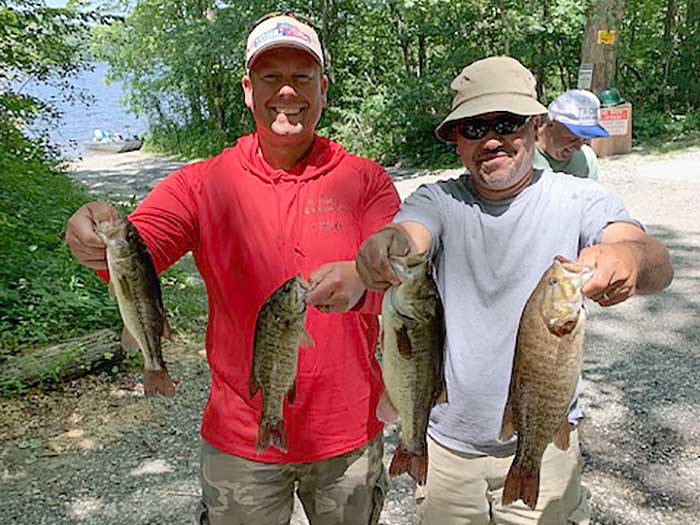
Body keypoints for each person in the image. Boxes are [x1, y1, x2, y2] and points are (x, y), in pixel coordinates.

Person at [65, 13, 399, 525]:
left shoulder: (365, 180)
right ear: (248, 89)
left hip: (347, 435)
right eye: (270, 77)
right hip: (240, 438)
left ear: (323, 89)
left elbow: (395, 258)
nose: (286, 91)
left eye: (301, 77)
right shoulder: (202, 184)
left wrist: (363, 274)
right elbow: (138, 251)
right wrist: (93, 236)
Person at [356, 56, 673, 525]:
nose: (491, 140)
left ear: (534, 126)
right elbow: (410, 235)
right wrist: (387, 245)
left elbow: (655, 263)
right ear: (457, 143)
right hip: (446, 452)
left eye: (506, 123)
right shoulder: (439, 201)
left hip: (544, 447)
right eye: (472, 128)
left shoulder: (579, 198)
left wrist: (630, 260)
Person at [534, 89, 610, 179]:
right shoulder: (523, 156)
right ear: (551, 124)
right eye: (573, 138)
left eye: (584, 139)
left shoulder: (587, 159)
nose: (578, 148)